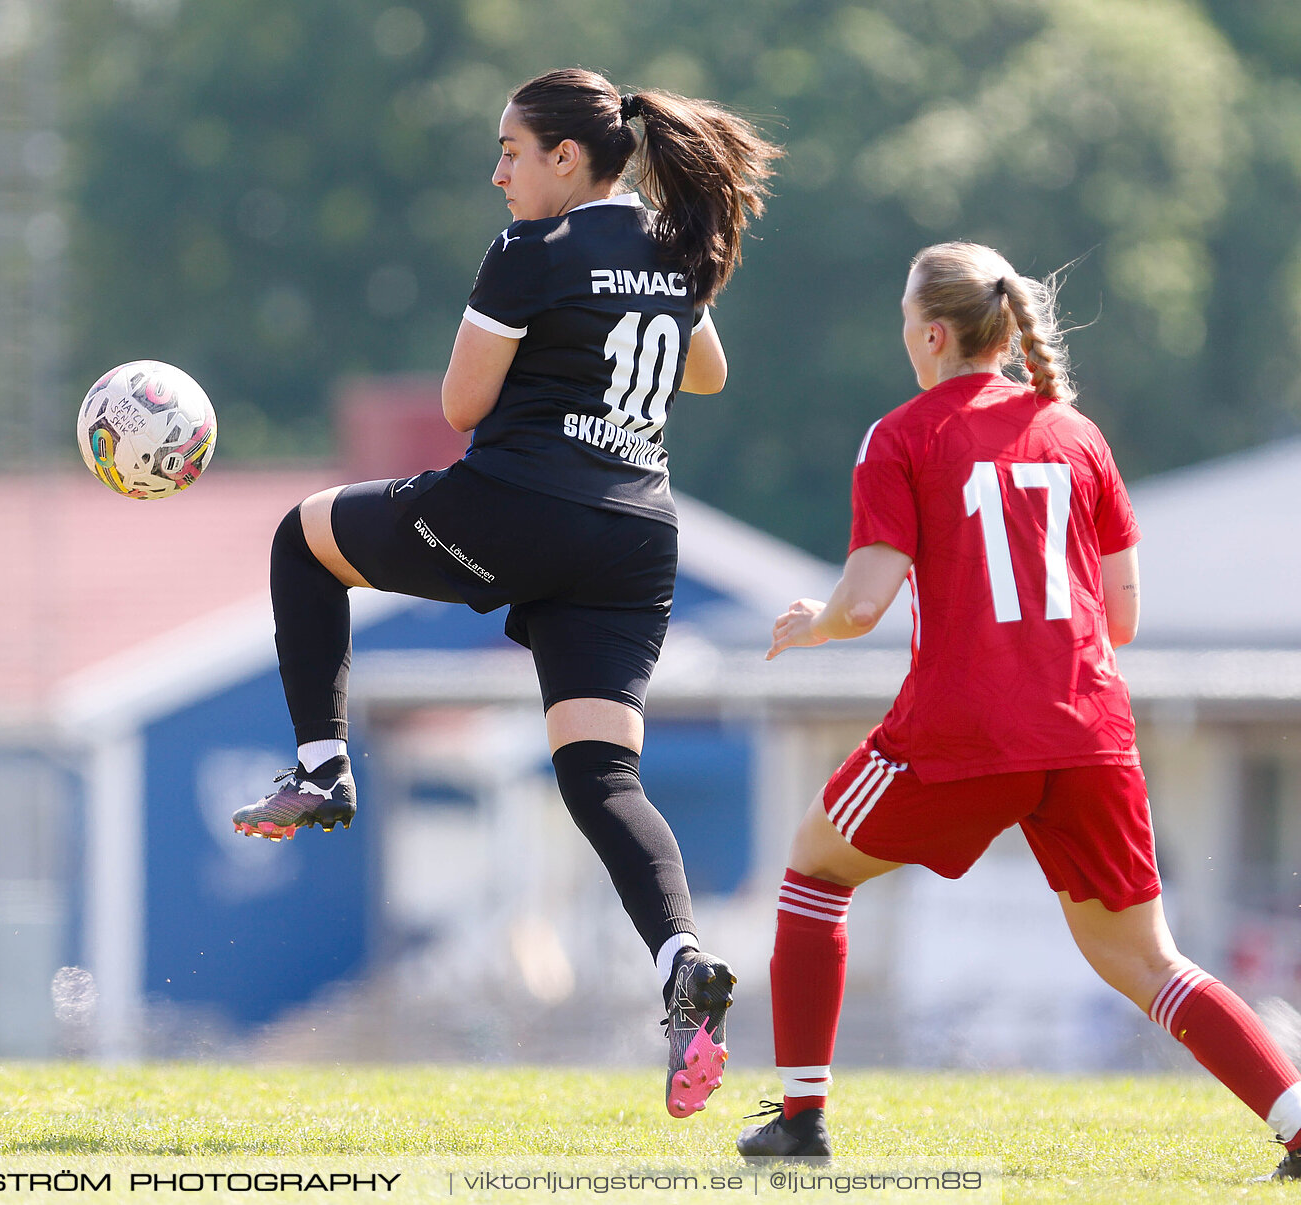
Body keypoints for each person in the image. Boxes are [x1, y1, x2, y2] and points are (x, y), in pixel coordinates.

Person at [228, 67, 780, 1118]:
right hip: (635, 540)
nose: (499, 174)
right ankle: (682, 958)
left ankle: (320, 763)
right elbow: (703, 373)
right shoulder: (671, 243)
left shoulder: (535, 249)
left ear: (567, 158)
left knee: (303, 541)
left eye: (512, 153)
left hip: (523, 509)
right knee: (603, 776)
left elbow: (461, 402)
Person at [741, 241, 1301, 1179]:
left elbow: (868, 600)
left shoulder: (902, 434)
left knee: (810, 871)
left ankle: (801, 1118)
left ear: (930, 333)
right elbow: (1120, 615)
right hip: (1088, 729)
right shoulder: (1077, 436)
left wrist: (817, 622)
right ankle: (1296, 1117)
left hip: (959, 731)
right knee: (1151, 962)